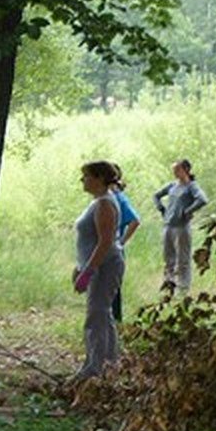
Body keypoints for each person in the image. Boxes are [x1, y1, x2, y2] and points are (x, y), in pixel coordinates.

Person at [73, 161, 125, 380]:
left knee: (96, 315)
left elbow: (104, 242)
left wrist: (88, 271)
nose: (82, 180)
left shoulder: (105, 204)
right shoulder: (97, 202)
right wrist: (80, 267)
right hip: (96, 265)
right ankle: (109, 364)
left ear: (99, 179)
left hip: (105, 265)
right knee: (103, 314)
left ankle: (94, 369)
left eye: (86, 176)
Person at [154, 158, 208, 295]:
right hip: (168, 225)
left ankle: (183, 289)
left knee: (183, 259)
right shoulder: (172, 185)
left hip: (182, 227)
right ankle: (169, 285)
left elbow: (202, 199)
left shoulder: (191, 186)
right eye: (174, 170)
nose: (175, 172)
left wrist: (188, 211)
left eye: (177, 169)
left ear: (186, 170)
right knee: (168, 257)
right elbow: (156, 195)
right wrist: (160, 207)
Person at [109, 165, 140, 323]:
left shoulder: (119, 198)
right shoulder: (108, 197)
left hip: (113, 250)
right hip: (108, 249)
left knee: (113, 290)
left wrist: (121, 242)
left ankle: (116, 323)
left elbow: (135, 220)